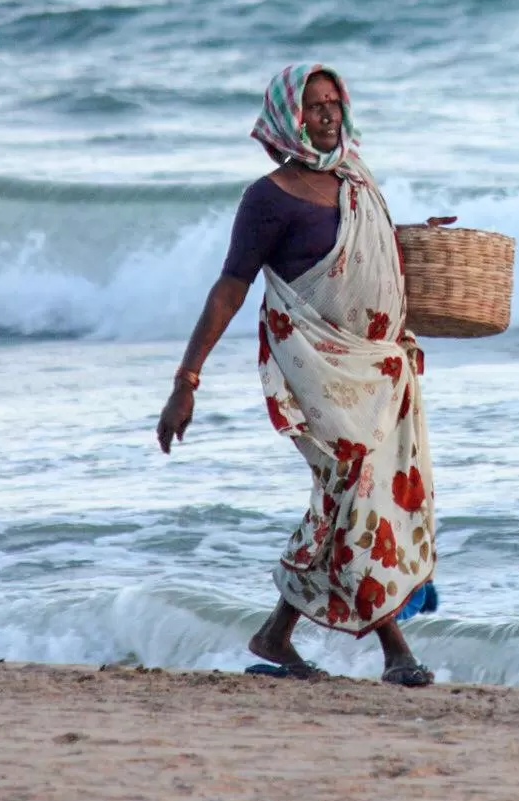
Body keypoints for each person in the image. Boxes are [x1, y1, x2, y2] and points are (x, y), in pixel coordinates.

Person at [156, 64, 435, 687]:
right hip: (316, 367)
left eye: (335, 102)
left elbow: (372, 257)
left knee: (348, 494)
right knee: (354, 484)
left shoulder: (356, 179)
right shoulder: (269, 198)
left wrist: (416, 244)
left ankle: (277, 633)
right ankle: (395, 651)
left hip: (375, 366)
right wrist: (186, 380)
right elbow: (232, 286)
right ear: (290, 118)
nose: (329, 114)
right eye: (314, 107)